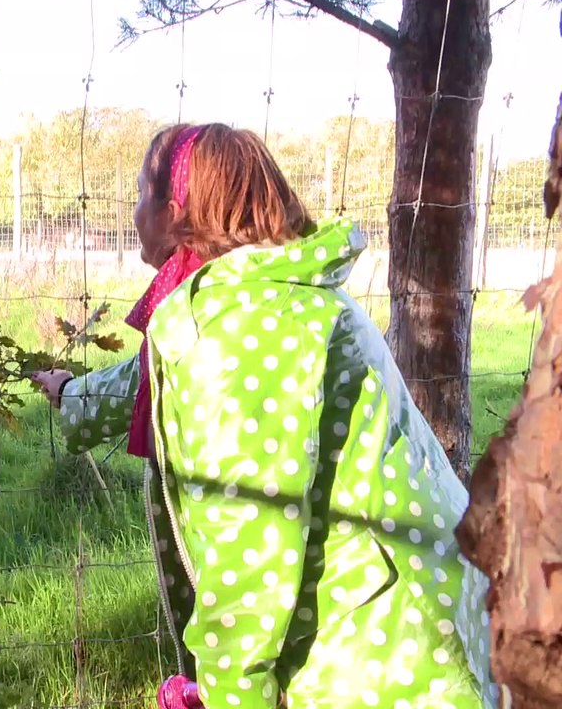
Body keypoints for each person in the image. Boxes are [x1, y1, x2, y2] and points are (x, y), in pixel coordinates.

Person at [32, 123, 497, 708]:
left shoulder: (238, 328)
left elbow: (249, 541)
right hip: (414, 612)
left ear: (175, 210)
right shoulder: (260, 295)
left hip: (380, 658)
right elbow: (156, 375)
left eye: (139, 195)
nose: (133, 212)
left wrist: (232, 690)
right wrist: (73, 394)